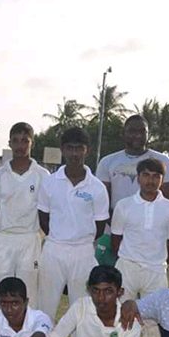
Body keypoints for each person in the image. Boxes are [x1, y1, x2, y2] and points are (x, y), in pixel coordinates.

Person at [110, 157, 169, 337]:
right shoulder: (124, 206)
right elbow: (116, 240)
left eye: (156, 176)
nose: (151, 180)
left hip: (156, 271)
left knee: (154, 324)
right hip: (127, 268)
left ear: (162, 180)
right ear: (138, 178)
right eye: (146, 175)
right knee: (120, 321)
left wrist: (156, 262)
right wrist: (130, 260)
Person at [37, 127, 109, 320]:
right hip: (53, 250)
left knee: (83, 311)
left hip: (83, 252)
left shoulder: (97, 187)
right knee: (45, 309)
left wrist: (79, 240)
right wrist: (60, 237)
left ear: (87, 150)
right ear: (63, 149)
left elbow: (100, 225)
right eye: (70, 148)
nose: (75, 153)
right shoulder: (50, 182)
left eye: (79, 148)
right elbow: (43, 217)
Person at [0, 122, 49, 309]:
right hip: (4, 239)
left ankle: (29, 334)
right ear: (10, 143)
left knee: (29, 290)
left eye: (25, 141)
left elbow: (46, 209)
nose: (20, 146)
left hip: (29, 239)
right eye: (16, 141)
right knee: (1, 288)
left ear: (32, 143)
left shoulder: (42, 175)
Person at [96, 114, 169, 208]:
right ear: (123, 133)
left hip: (153, 220)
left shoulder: (163, 161)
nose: (138, 135)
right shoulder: (107, 162)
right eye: (132, 131)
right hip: (117, 220)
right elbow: (102, 200)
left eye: (142, 131)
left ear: (148, 134)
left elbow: (167, 202)